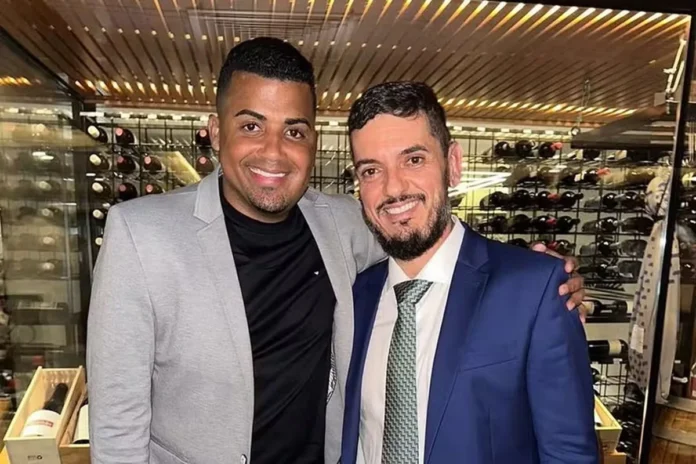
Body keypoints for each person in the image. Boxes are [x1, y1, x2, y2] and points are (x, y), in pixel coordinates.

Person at [87, 38, 586, 464]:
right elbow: (117, 423)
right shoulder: (141, 233)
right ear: (216, 132)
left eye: (294, 130)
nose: (274, 151)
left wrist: (534, 277)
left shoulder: (344, 224)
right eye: (251, 126)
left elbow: (426, 235)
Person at [341, 81, 598, 464]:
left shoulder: (534, 291)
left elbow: (569, 454)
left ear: (454, 164)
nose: (393, 188)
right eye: (371, 170)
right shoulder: (356, 296)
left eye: (414, 160)